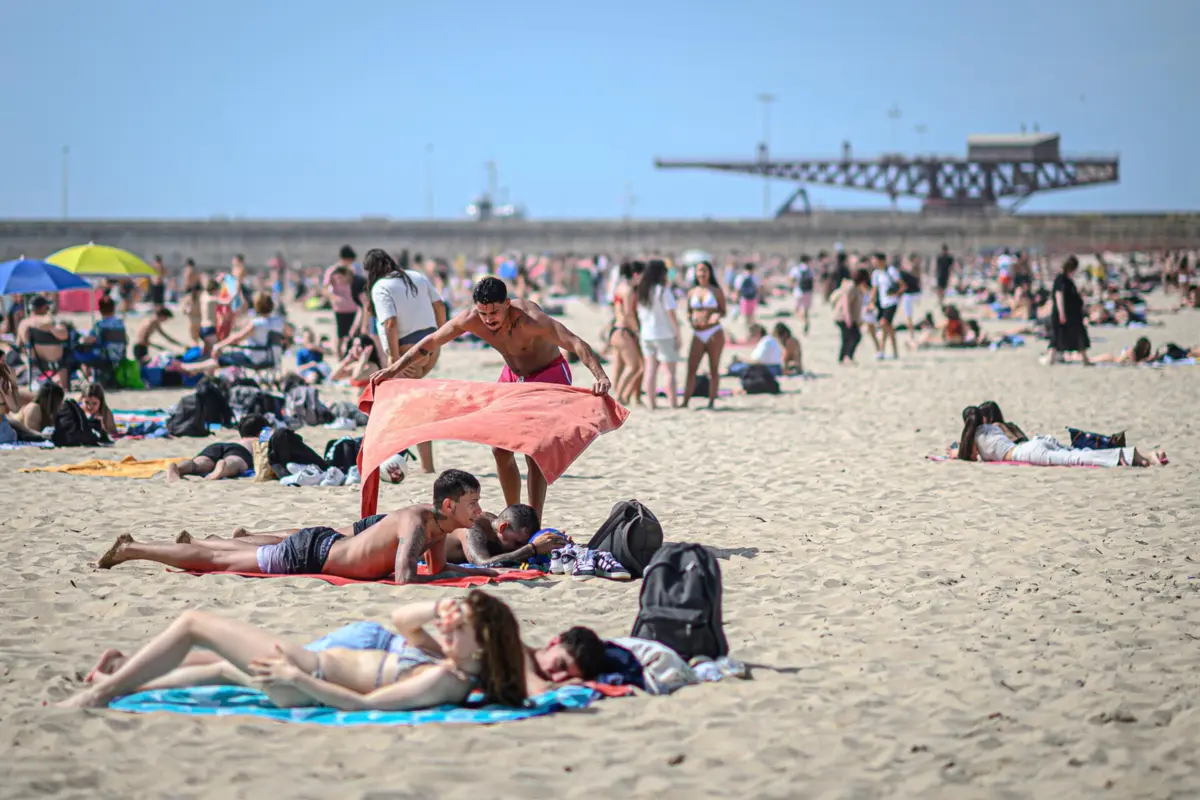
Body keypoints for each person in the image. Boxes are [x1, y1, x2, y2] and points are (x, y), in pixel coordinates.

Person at [370, 279, 611, 521]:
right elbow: (432, 342)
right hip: (513, 376)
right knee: (499, 450)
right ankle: (514, 514)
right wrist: (392, 370)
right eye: (484, 313)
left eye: (495, 311)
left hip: (549, 374)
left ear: (507, 304)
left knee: (534, 450)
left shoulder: (530, 318)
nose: (489, 319)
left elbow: (575, 342)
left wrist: (600, 376)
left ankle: (533, 519)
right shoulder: (470, 318)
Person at [58, 592, 527, 711]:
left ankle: (97, 697)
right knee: (222, 668)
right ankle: (115, 686)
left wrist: (295, 676)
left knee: (194, 623)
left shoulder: (447, 679)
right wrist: (440, 605)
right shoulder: (445, 661)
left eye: (458, 626)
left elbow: (364, 705)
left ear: (482, 644)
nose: (447, 629)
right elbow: (402, 620)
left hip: (304, 676)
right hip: (301, 674)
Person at [102, 469, 495, 586]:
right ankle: (133, 549)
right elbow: (406, 578)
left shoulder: (439, 529)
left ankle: (198, 541)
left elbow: (439, 571)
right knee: (215, 562)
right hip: (312, 554)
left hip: (327, 545)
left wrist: (480, 571)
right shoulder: (416, 523)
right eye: (472, 504)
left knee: (225, 554)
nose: (478, 512)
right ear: (448, 505)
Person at [365, 248, 447, 473]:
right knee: (412, 406)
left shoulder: (380, 286)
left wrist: (393, 360)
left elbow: (390, 323)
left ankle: (387, 460)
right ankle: (425, 466)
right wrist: (439, 337)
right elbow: (439, 306)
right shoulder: (416, 276)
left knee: (407, 408)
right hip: (429, 345)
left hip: (406, 350)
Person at [956, 403, 1165, 467]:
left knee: (1078, 458)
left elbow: (972, 457)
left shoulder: (974, 437)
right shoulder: (993, 427)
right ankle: (1148, 454)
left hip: (1025, 454)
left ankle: (1132, 455)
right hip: (1034, 443)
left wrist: (958, 449)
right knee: (1078, 452)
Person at [176, 292, 288, 375]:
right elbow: (287, 335)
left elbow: (237, 338)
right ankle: (193, 369)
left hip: (255, 358)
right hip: (273, 358)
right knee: (228, 356)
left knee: (222, 358)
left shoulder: (257, 323)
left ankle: (191, 368)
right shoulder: (279, 321)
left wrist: (219, 345)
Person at [165, 414, 272, 483]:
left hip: (217, 446)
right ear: (261, 431)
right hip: (240, 452)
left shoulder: (240, 440)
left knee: (199, 463)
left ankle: (177, 468)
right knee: (234, 462)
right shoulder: (257, 441)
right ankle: (223, 467)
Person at [635, 259, 681, 410]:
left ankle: (651, 403)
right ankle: (673, 402)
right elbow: (671, 314)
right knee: (670, 371)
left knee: (650, 370)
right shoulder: (663, 290)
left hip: (647, 334)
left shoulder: (642, 291)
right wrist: (678, 333)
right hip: (664, 333)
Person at [682, 261, 727, 408]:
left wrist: (717, 316)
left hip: (713, 331)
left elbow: (723, 310)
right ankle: (686, 401)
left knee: (713, 368)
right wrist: (690, 319)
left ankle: (712, 401)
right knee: (691, 367)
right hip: (698, 332)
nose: (701, 274)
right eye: (699, 271)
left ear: (709, 273)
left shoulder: (716, 291)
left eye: (704, 271)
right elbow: (688, 311)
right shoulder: (692, 292)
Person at [608, 261, 644, 405]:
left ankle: (614, 396)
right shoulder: (628, 290)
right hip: (624, 331)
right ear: (636, 274)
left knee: (618, 367)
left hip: (616, 330)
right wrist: (637, 331)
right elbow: (629, 313)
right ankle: (619, 395)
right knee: (635, 366)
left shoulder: (619, 287)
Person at [17, 296, 72, 389]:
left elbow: (18, 344)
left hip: (35, 362)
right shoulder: (49, 321)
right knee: (69, 354)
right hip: (56, 361)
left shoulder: (23, 323)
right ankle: (65, 387)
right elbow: (64, 336)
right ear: (43, 308)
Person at [1048, 256, 1091, 366]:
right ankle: (1051, 359)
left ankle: (1085, 359)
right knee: (1058, 336)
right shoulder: (1061, 279)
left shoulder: (1067, 279)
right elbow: (1059, 295)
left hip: (1072, 314)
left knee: (1078, 335)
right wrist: (1061, 313)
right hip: (1065, 314)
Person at [324, 247, 360, 356]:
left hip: (353, 306)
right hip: (340, 308)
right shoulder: (332, 271)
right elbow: (325, 288)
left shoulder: (354, 271)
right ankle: (339, 356)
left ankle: (351, 355)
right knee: (340, 334)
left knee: (353, 333)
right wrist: (334, 298)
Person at [870, 253, 901, 359]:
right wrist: (870, 302)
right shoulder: (876, 274)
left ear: (881, 260)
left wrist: (895, 293)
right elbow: (874, 289)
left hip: (892, 302)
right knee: (887, 327)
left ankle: (883, 350)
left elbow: (902, 286)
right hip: (882, 302)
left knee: (884, 323)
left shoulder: (891, 271)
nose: (873, 263)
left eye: (875, 260)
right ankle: (890, 351)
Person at [831, 269, 866, 364]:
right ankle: (847, 357)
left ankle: (843, 358)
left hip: (848, 317)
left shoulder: (855, 288)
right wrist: (848, 319)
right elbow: (845, 304)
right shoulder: (850, 287)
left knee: (847, 338)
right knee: (854, 337)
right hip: (844, 317)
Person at [789, 255, 814, 334]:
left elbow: (791, 279)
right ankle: (806, 321)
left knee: (796, 310)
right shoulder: (810, 270)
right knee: (806, 311)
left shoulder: (796, 269)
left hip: (798, 292)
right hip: (808, 292)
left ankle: (804, 321)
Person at [734, 263, 760, 331]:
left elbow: (737, 289)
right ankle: (751, 330)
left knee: (744, 315)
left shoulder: (740, 277)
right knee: (751, 316)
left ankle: (745, 330)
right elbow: (758, 288)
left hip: (744, 298)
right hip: (753, 298)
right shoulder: (754, 277)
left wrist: (736, 297)